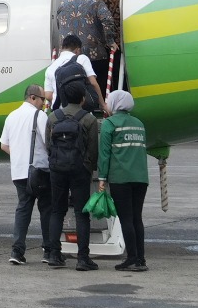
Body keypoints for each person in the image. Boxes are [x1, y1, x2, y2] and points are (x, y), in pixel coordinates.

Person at [41, 82, 100, 270]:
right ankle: (83, 258)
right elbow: (92, 149)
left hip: (57, 170)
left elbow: (48, 145)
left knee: (57, 211)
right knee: (81, 213)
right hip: (79, 170)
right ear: (83, 99)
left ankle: (53, 254)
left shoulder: (53, 118)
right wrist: (87, 168)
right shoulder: (88, 119)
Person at [95, 85, 150, 271]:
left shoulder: (109, 124)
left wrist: (102, 178)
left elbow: (104, 154)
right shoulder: (139, 124)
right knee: (137, 218)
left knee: (125, 218)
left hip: (120, 178)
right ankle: (141, 258)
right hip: (141, 178)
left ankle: (132, 258)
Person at [0, 84, 51, 264]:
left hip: (19, 172)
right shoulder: (40, 116)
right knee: (46, 210)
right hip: (39, 170)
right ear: (33, 97)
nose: (44, 103)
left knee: (23, 210)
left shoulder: (11, 116)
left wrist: (20, 156)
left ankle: (17, 252)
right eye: (42, 99)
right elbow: (48, 143)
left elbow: (4, 145)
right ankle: (48, 251)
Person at [52, 0, 118, 90]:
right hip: (94, 54)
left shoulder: (62, 4)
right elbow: (108, 21)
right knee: (98, 84)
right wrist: (110, 41)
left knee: (73, 86)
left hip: (67, 55)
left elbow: (59, 25)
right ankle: (99, 105)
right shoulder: (96, 2)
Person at [48, 32, 102, 114]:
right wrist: (103, 104)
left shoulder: (51, 67)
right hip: (80, 112)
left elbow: (48, 95)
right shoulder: (82, 58)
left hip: (60, 114)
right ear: (78, 50)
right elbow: (93, 83)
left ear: (62, 48)